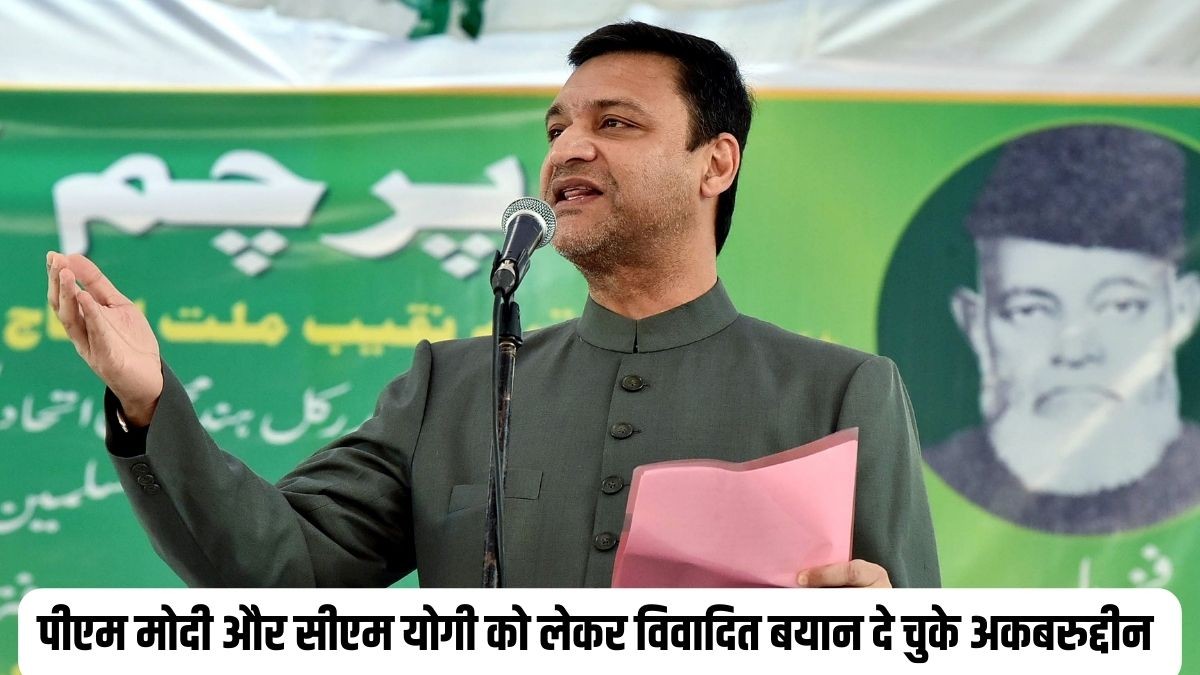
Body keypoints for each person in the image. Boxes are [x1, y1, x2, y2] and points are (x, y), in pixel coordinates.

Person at [46, 21, 939, 588]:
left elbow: (914, 636)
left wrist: (874, 633)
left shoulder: (838, 392)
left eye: (615, 123)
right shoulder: (453, 387)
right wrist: (146, 400)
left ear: (716, 163)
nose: (568, 148)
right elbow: (280, 567)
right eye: (558, 127)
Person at [926, 124, 1200, 535]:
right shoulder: (916, 487)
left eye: (1120, 306)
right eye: (1030, 310)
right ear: (975, 324)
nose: (1075, 352)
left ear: (1181, 310)